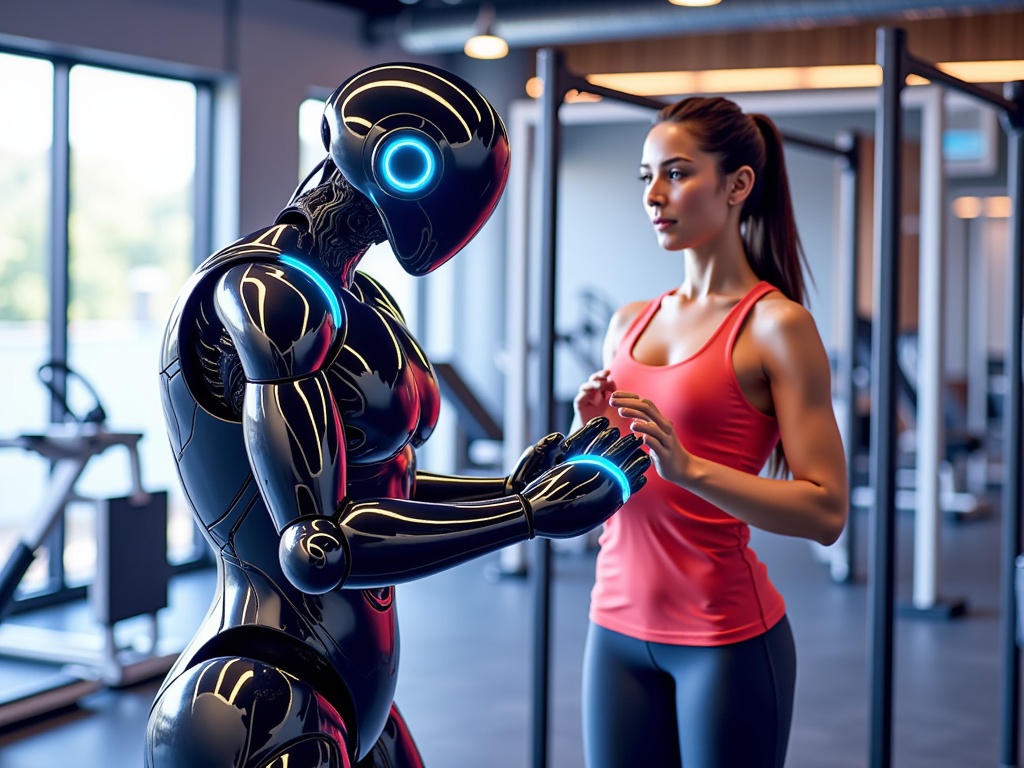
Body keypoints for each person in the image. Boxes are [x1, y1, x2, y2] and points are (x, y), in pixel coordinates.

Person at [146, 62, 649, 768]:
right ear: (401, 165)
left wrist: (514, 492)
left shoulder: (365, 301)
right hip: (257, 696)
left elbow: (384, 490)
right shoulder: (267, 298)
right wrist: (527, 513)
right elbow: (320, 548)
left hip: (358, 693)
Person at [573, 95, 849, 768]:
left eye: (676, 173)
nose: (655, 195)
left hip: (723, 640)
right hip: (611, 627)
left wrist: (690, 469)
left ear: (738, 185)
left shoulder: (776, 327)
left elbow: (827, 509)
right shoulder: (629, 322)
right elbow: (606, 493)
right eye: (646, 177)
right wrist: (586, 443)